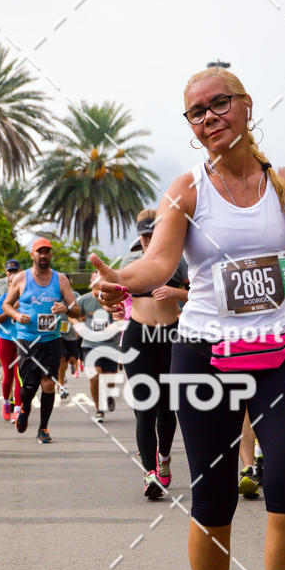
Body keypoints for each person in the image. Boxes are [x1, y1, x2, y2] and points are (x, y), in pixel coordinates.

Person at [91, 66, 285, 570]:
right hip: (204, 357)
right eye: (195, 112)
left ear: (247, 105)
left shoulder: (284, 182)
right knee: (214, 501)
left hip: (279, 355)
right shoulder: (187, 191)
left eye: (217, 103)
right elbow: (158, 262)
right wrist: (123, 281)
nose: (207, 118)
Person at [120, 209, 189, 499]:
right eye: (144, 235)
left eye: (153, 234)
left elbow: (199, 292)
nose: (149, 240)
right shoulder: (130, 261)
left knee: (167, 408)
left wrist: (175, 294)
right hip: (138, 338)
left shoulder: (179, 261)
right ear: (139, 235)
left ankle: (164, 457)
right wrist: (108, 298)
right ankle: (150, 472)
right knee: (144, 407)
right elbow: (114, 292)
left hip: (171, 337)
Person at [238, 256, 285, 498]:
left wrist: (273, 283)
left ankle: (263, 454)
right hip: (234, 337)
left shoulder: (277, 242)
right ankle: (248, 469)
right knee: (244, 406)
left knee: (269, 408)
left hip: (274, 338)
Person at [3, 239, 76, 443]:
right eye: (39, 252)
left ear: (51, 255)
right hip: (27, 340)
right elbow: (6, 305)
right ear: (33, 255)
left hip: (51, 340)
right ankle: (24, 408)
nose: (43, 255)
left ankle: (43, 428)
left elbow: (76, 308)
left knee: (48, 385)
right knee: (29, 386)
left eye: (47, 252)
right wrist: (17, 316)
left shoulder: (60, 280)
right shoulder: (20, 279)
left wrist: (66, 308)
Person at [72, 275, 122, 423]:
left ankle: (108, 395)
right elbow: (71, 314)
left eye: (102, 278)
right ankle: (99, 409)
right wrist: (78, 325)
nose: (99, 280)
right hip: (90, 344)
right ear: (91, 282)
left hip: (110, 345)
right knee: (94, 377)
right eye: (96, 278)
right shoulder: (84, 299)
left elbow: (121, 319)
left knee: (109, 380)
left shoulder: (113, 298)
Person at [0, 269, 22, 422]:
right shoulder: (1, 300)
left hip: (23, 341)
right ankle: (5, 402)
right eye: (13, 284)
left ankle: (17, 408)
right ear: (9, 285)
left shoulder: (27, 300)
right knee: (8, 376)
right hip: (6, 340)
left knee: (19, 375)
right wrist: (11, 309)